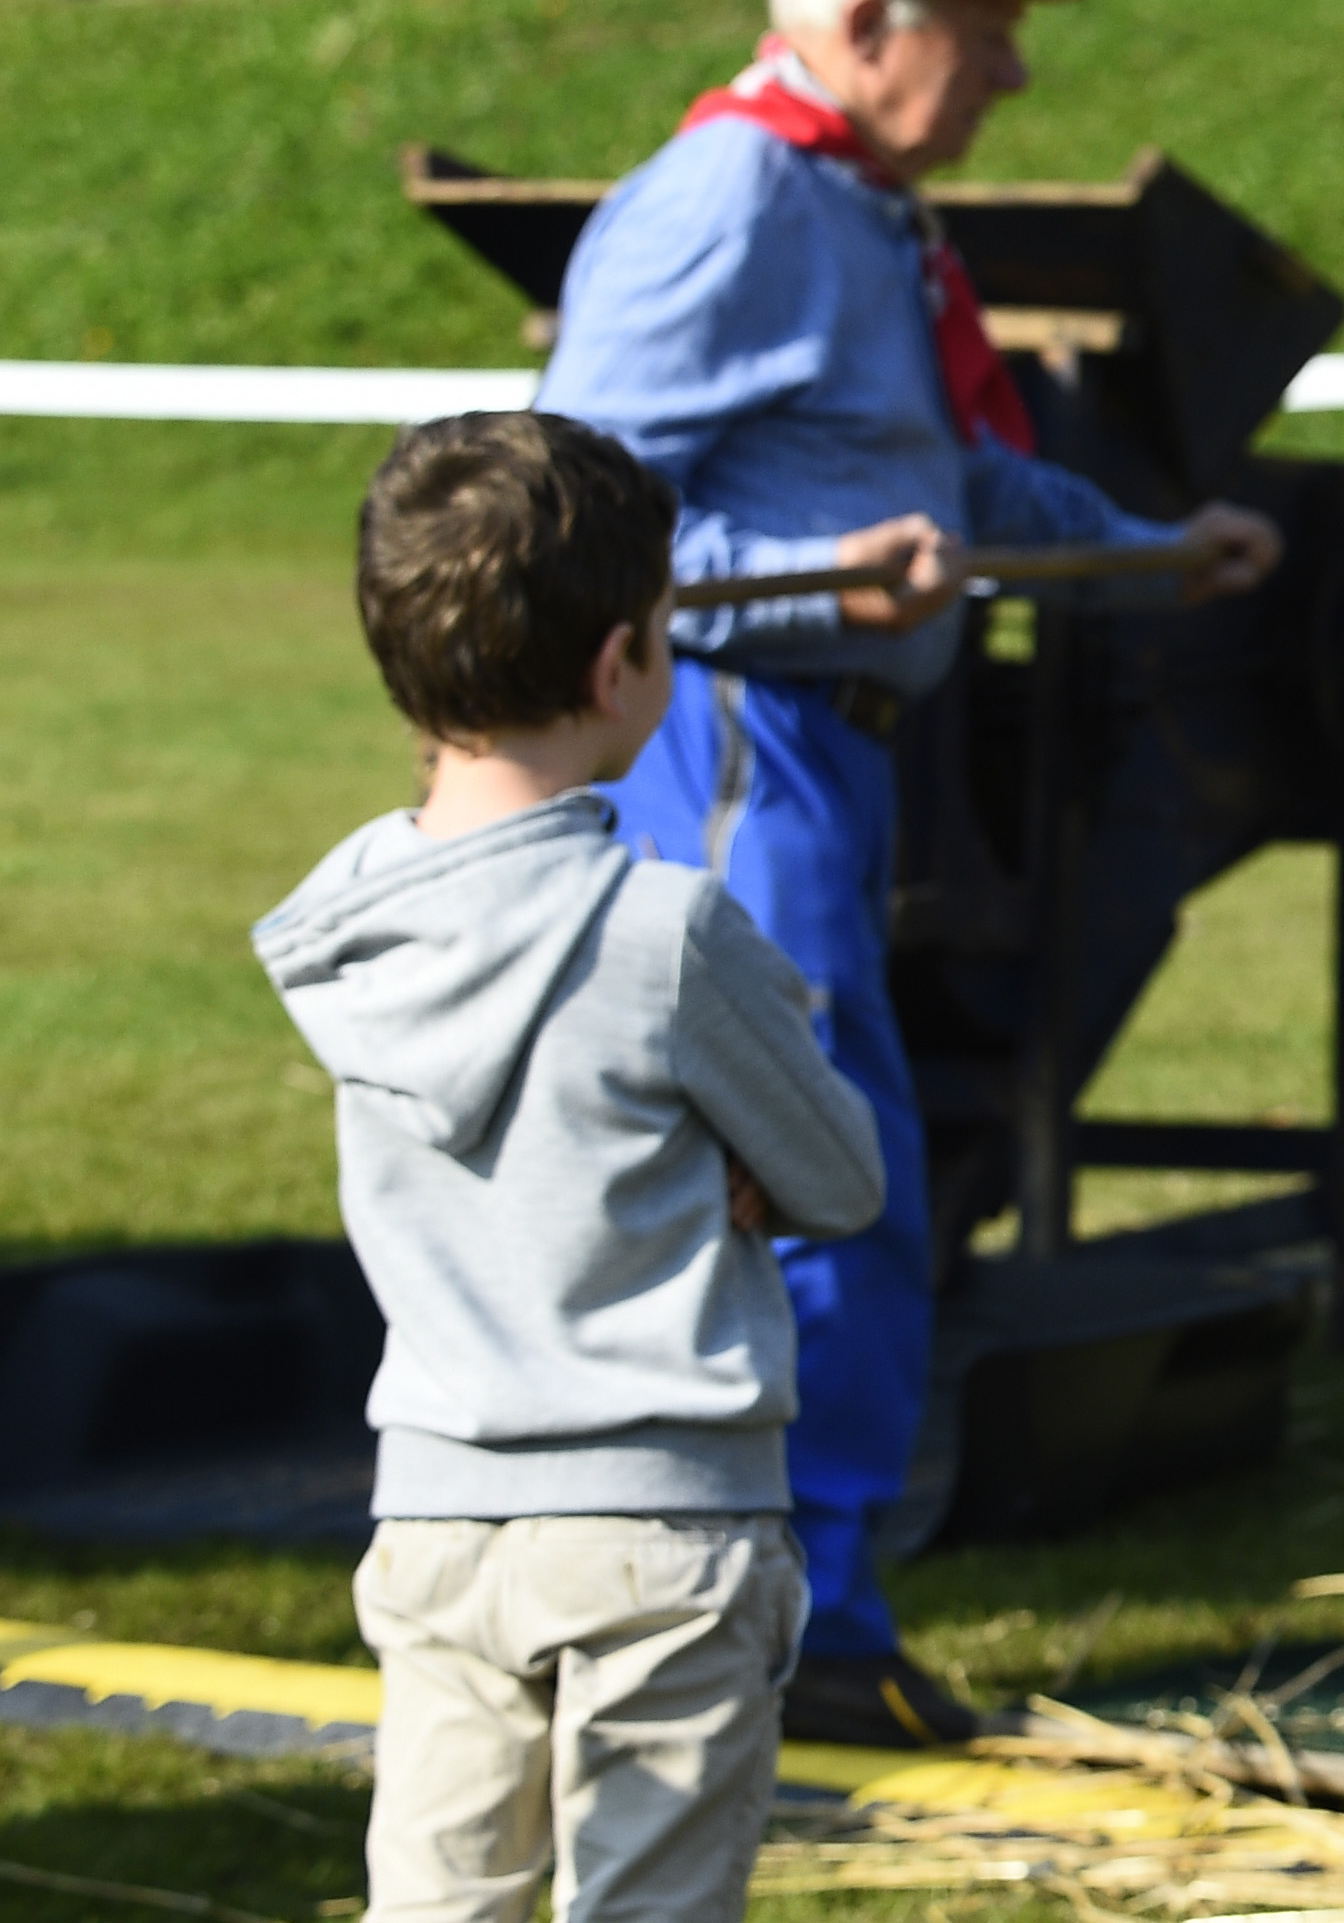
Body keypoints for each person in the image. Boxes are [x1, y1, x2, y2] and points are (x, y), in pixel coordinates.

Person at [537, 0, 1283, 1748]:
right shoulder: (732, 201)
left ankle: (800, 1613)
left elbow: (940, 474)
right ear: (868, 24)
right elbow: (562, 528)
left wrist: (1139, 538)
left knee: (826, 1177)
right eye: (991, 37)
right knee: (809, 1180)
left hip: (822, 764)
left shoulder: (863, 207)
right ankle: (781, 1626)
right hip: (729, 752)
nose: (1017, 82)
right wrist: (812, 584)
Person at [254, 410, 887, 1923]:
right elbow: (844, 1175)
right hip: (668, 1530)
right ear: (622, 667)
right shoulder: (664, 935)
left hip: (433, 1522)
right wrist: (734, 1144)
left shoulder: (342, 927)